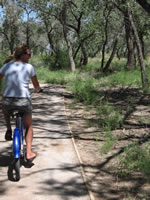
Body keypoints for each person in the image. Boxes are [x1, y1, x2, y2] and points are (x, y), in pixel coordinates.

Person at [0, 44, 42, 162]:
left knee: (5, 108)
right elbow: (36, 86)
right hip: (23, 101)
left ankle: (9, 129)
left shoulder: (7, 66)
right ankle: (28, 153)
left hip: (7, 100)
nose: (30, 56)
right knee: (28, 126)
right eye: (29, 54)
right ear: (23, 55)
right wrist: (38, 90)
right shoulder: (29, 67)